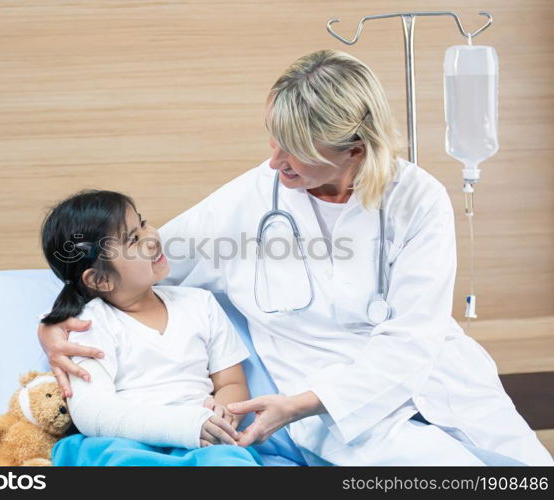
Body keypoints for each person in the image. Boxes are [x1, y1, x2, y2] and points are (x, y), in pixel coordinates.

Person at [38, 49, 553, 466]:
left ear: (355, 149)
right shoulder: (250, 200)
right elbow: (130, 265)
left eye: (295, 148)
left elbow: (415, 335)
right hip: (327, 402)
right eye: (274, 138)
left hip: (439, 374)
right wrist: (55, 323)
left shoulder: (419, 199)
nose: (274, 161)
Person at [39, 189, 262, 466]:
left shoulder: (200, 304)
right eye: (133, 239)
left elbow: (230, 382)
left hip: (202, 442)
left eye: (142, 223)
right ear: (100, 279)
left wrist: (224, 414)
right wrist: (182, 426)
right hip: (126, 444)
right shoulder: (90, 324)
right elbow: (91, 412)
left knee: (230, 461)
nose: (152, 237)